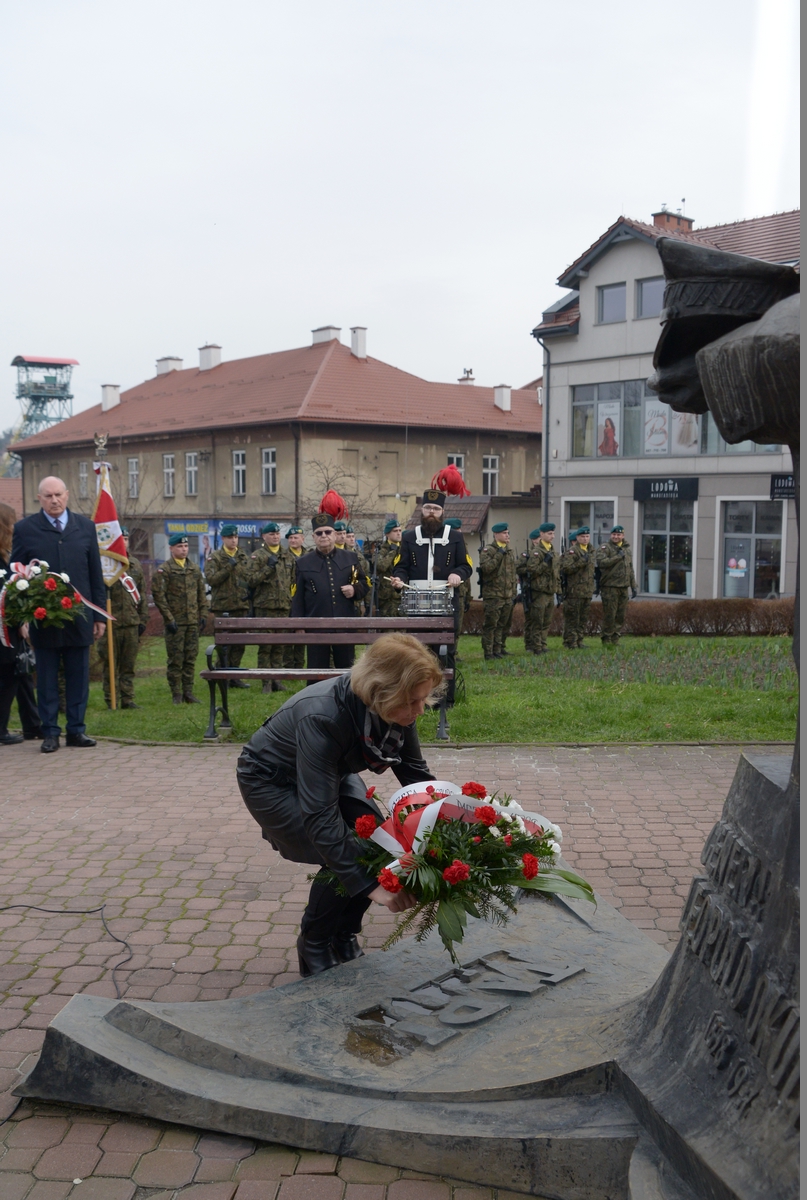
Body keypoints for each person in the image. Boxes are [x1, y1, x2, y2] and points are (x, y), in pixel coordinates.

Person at [236, 632, 441, 975]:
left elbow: (416, 777)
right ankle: (314, 944)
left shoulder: (395, 708)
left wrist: (451, 822)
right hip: (269, 781)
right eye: (412, 702)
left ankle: (343, 935)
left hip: (328, 771)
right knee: (348, 849)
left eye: (423, 699)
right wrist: (373, 886)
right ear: (381, 691)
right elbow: (320, 818)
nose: (420, 710)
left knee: (375, 841)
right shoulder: (323, 716)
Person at [11, 476, 106, 753]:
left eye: (58, 495)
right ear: (39, 499)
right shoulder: (26, 529)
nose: (54, 500)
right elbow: (16, 577)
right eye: (48, 496)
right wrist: (22, 619)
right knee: (48, 679)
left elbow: (95, 574)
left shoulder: (85, 527)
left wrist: (99, 615)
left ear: (67, 495)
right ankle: (50, 732)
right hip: (42, 619)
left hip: (79, 616)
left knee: (78, 677)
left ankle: (76, 731)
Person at [390, 486, 472, 706]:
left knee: (445, 653)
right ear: (422, 510)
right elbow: (401, 567)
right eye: (428, 508)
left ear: (442, 511)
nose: (431, 512)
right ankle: (417, 699)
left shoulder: (454, 537)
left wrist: (457, 573)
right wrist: (398, 580)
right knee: (417, 652)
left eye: (436, 508)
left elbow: (466, 566)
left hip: (445, 603)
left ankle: (445, 700)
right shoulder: (409, 537)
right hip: (417, 604)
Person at [291, 511, 369, 672]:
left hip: (345, 623)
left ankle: (347, 698)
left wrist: (354, 589)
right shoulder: (303, 562)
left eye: (328, 532)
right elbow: (297, 596)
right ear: (313, 537)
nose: (324, 536)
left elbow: (364, 583)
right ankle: (315, 698)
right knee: (316, 671)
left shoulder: (350, 558)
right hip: (316, 625)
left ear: (334, 535)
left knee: (347, 671)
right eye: (319, 533)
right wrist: (299, 624)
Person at [0, 502, 43, 743]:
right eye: (11, 522)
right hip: (5, 629)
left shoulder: (7, 556)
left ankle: (32, 726)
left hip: (11, 626)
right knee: (10, 677)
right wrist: (19, 621)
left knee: (22, 672)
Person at [151, 534, 208, 704]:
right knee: (176, 659)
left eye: (185, 547)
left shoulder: (194, 569)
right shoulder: (165, 570)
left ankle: (188, 692)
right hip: (176, 623)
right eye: (179, 547)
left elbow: (201, 595)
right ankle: (176, 693)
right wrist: (169, 619)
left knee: (190, 658)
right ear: (171, 548)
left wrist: (203, 615)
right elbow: (159, 597)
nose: (183, 549)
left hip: (191, 622)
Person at [97, 527, 149, 708]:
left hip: (131, 623)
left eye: (126, 539)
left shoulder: (134, 564)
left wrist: (143, 619)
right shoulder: (103, 565)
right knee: (110, 665)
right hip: (111, 623)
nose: (124, 542)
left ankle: (127, 699)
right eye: (120, 539)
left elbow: (141, 593)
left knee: (128, 665)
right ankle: (111, 699)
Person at [245, 521, 296, 692]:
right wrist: (268, 568)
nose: (275, 536)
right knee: (265, 646)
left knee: (279, 646)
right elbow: (251, 581)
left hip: (283, 606)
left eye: (277, 534)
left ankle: (277, 680)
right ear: (264, 537)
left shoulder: (287, 556)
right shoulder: (257, 556)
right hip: (265, 606)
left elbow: (293, 581)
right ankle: (266, 681)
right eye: (271, 534)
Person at [205, 523, 251, 685]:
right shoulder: (215, 558)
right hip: (223, 608)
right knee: (224, 644)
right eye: (230, 537)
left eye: (236, 537)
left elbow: (248, 579)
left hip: (241, 605)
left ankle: (234, 675)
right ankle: (221, 674)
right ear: (223, 538)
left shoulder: (243, 557)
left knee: (239, 644)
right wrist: (228, 566)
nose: (234, 540)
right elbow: (212, 580)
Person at [517, 523, 560, 655]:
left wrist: (558, 590)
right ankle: (536, 647)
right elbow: (532, 570)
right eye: (549, 533)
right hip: (539, 591)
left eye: (553, 533)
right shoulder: (537, 552)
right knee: (537, 621)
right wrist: (545, 563)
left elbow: (556, 573)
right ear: (541, 534)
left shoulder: (552, 551)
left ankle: (542, 644)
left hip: (549, 590)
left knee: (546, 621)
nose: (552, 536)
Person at [478, 522, 517, 660]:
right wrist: (499, 554)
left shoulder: (509, 550)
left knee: (502, 624)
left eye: (508, 533)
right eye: (504, 533)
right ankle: (488, 652)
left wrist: (514, 592)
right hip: (494, 594)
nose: (507, 535)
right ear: (496, 535)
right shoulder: (489, 550)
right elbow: (487, 568)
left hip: (507, 594)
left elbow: (512, 573)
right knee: (491, 625)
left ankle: (498, 649)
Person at [596, 525, 637, 646]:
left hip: (623, 587)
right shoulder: (605, 548)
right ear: (611, 535)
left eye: (618, 535)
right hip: (610, 586)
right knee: (610, 614)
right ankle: (606, 638)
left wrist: (633, 586)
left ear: (623, 536)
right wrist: (617, 557)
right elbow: (602, 563)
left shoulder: (627, 550)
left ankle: (615, 638)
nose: (616, 536)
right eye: (614, 534)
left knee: (620, 615)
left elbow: (630, 569)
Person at [560, 526, 596, 649]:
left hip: (587, 591)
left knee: (583, 618)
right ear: (577, 538)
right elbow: (566, 568)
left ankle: (579, 641)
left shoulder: (591, 551)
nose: (585, 539)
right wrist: (581, 561)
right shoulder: (572, 551)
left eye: (587, 536)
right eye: (582, 537)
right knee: (572, 618)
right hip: (574, 591)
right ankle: (570, 642)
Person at [444, 518, 470, 652]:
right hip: (449, 593)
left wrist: (468, 596)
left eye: (460, 530)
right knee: (450, 625)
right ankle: (450, 650)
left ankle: (454, 650)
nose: (459, 532)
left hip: (461, 592)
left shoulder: (463, 546)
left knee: (457, 626)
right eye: (456, 530)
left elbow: (467, 573)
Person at [284, 525, 307, 670]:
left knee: (302, 632)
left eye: (296, 537)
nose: (293, 540)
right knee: (287, 634)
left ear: (302, 539)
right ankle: (287, 665)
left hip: (304, 600)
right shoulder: (284, 555)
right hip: (286, 600)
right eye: (290, 538)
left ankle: (299, 664)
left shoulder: (309, 555)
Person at [373, 519, 403, 617]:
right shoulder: (381, 550)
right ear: (387, 534)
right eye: (395, 531)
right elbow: (381, 566)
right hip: (386, 598)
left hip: (402, 596)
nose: (398, 533)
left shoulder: (405, 548)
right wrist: (392, 551)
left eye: (400, 530)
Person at [344, 525, 372, 615]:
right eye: (348, 537)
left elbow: (366, 579)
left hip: (358, 597)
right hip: (346, 596)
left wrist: (368, 603)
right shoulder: (341, 554)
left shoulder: (359, 555)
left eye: (353, 536)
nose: (352, 539)